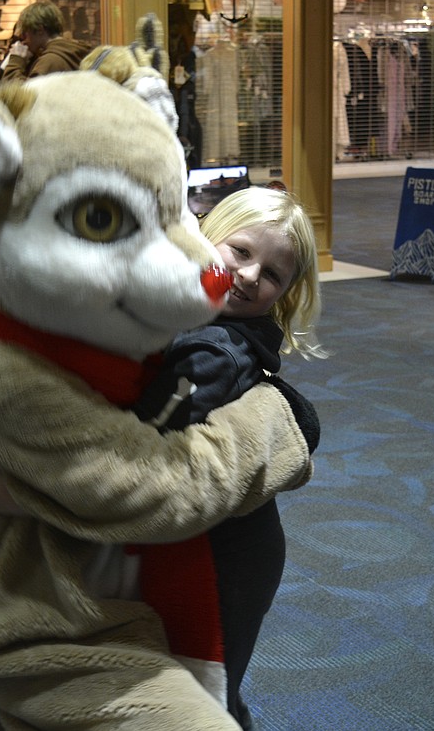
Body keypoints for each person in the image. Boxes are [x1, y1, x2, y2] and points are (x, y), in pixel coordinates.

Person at [132, 187, 325, 730]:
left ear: (284, 294)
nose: (247, 275)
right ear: (204, 231)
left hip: (230, 556)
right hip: (220, 546)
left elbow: (148, 440)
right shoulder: (189, 315)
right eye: (239, 251)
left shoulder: (212, 350)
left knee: (203, 691)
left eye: (271, 275)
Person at [0, 0, 92, 81]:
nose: (24, 41)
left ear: (39, 30)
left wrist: (15, 62)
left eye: (25, 34)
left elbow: (22, 96)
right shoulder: (70, 51)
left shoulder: (50, 61)